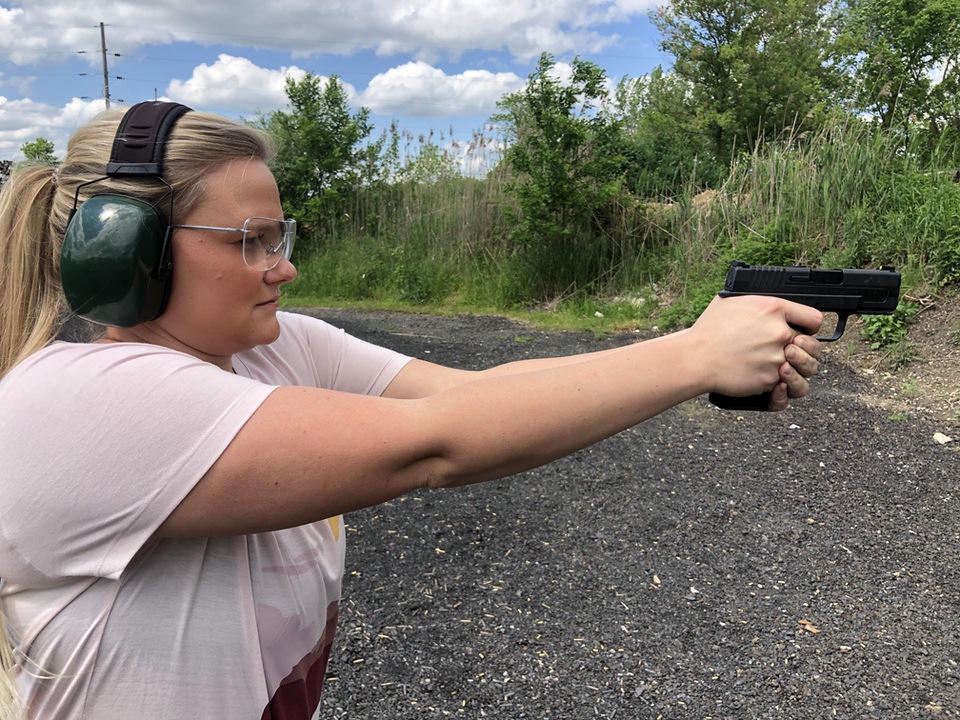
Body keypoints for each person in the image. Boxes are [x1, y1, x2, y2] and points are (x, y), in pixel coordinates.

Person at [0, 102, 823, 720]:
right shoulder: (77, 398)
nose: (281, 268)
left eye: (280, 235)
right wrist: (690, 357)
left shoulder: (276, 350)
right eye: (250, 239)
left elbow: (475, 396)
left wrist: (696, 348)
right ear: (123, 249)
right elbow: (436, 445)